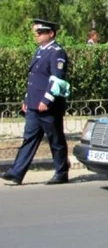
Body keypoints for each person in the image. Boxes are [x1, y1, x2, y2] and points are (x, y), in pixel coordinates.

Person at [1, 19, 70, 185]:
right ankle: (17, 172)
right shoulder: (39, 51)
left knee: (56, 140)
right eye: (37, 33)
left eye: (40, 33)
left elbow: (57, 79)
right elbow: (34, 79)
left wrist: (47, 99)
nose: (37, 36)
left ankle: (61, 173)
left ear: (51, 33)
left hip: (48, 106)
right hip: (33, 105)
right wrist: (27, 99)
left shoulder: (56, 52)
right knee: (29, 139)